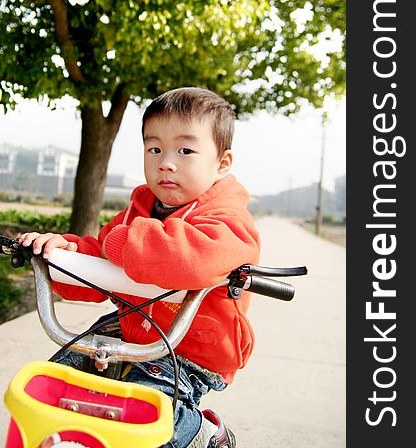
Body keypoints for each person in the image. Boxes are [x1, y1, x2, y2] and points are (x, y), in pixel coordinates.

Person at [20, 87, 260, 448]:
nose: (166, 161)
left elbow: (192, 259)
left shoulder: (228, 221)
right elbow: (100, 262)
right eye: (154, 149)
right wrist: (62, 255)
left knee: (145, 415)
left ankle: (203, 432)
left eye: (185, 150)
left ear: (222, 163)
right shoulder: (136, 213)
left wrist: (122, 243)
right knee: (59, 381)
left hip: (192, 348)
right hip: (131, 327)